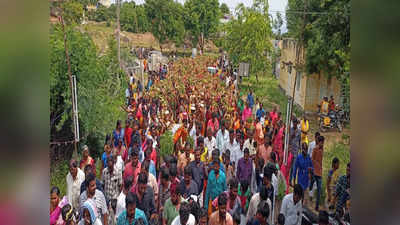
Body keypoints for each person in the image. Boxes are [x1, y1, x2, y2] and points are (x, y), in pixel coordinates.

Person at [311, 136, 324, 211]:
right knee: (311, 185)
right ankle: (309, 196)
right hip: (314, 171)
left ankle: (316, 206)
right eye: (321, 142)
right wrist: (316, 165)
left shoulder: (322, 150)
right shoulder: (315, 149)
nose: (322, 144)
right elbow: (312, 159)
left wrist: (320, 167)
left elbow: (321, 161)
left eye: (323, 142)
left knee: (319, 189)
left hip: (319, 173)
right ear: (319, 142)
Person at [289, 119, 301, 185]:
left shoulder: (299, 131)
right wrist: (292, 135)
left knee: (294, 167)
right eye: (293, 123)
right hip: (290, 151)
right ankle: (289, 180)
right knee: (290, 166)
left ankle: (293, 181)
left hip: (296, 151)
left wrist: (300, 149)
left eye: (295, 123)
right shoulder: (290, 130)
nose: (294, 124)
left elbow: (300, 141)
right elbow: (288, 139)